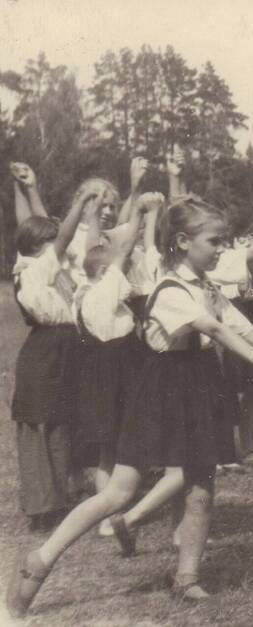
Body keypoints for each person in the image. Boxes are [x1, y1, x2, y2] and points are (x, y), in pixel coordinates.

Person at [6, 195, 253, 617]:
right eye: (214, 242)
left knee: (200, 485)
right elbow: (211, 328)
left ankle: (187, 578)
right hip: (159, 389)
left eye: (224, 242)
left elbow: (250, 331)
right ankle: (39, 561)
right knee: (119, 491)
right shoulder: (168, 288)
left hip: (197, 385)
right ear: (182, 242)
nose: (220, 250)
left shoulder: (207, 288)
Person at [9, 184, 99, 530]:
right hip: (46, 350)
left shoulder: (53, 272)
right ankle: (41, 508)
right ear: (36, 247)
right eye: (51, 243)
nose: (59, 249)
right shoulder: (31, 269)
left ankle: (58, 500)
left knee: (61, 423)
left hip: (65, 348)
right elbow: (63, 239)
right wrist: (79, 204)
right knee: (41, 425)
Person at [74, 192, 159, 536]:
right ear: (106, 270)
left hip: (104, 371)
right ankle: (111, 513)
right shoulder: (104, 290)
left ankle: (111, 510)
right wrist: (138, 213)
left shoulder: (86, 292)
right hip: (115, 372)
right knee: (113, 443)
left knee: (109, 446)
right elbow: (122, 253)